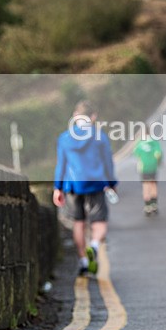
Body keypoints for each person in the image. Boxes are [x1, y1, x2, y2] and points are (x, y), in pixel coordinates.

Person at [53, 100, 118, 276]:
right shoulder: (100, 136)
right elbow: (108, 163)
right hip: (96, 184)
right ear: (93, 117)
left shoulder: (65, 138)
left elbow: (61, 165)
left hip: (73, 186)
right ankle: (95, 246)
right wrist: (112, 183)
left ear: (75, 116)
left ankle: (83, 261)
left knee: (78, 223)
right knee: (100, 222)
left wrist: (57, 188)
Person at [134, 126, 163, 215]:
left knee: (146, 186)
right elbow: (158, 154)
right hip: (153, 167)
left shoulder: (140, 142)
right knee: (153, 185)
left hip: (144, 167)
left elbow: (136, 153)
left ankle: (147, 207)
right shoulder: (154, 142)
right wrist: (158, 162)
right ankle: (154, 205)